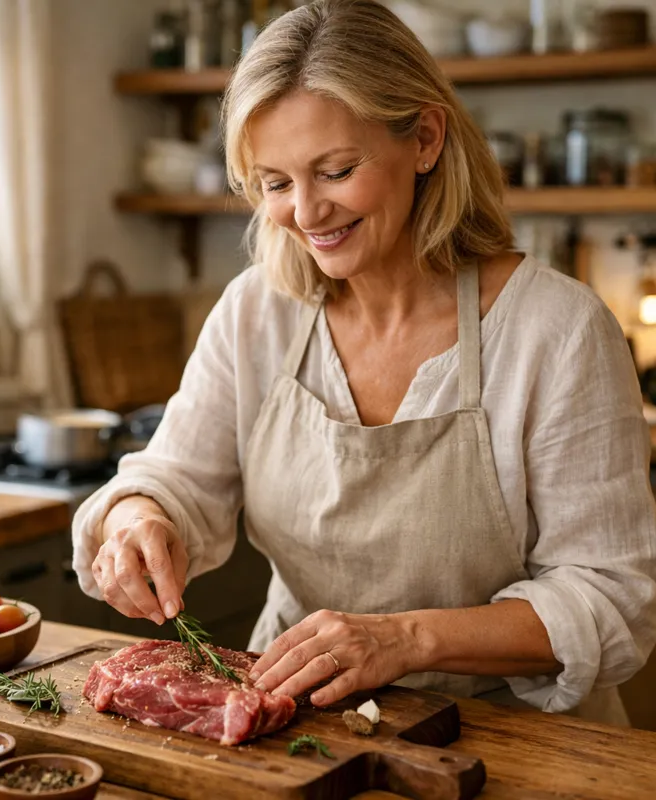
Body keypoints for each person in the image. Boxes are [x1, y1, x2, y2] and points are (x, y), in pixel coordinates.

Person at [72, 0, 656, 724]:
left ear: (425, 138)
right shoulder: (257, 311)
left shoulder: (556, 330)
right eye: (276, 183)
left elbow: (612, 598)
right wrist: (138, 518)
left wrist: (404, 640)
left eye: (337, 170)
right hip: (303, 723)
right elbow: (176, 479)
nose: (307, 213)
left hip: (524, 740)